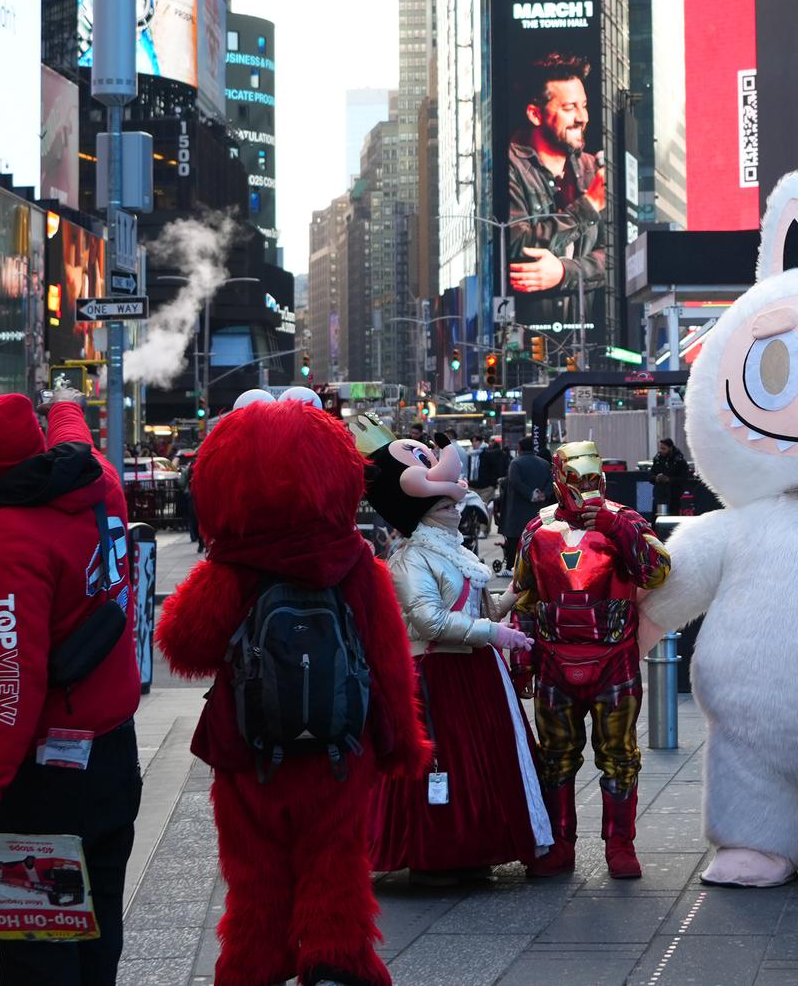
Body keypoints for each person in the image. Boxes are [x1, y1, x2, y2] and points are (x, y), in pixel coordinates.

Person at [158, 393, 432, 985]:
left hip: (249, 747)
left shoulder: (231, 568)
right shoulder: (356, 561)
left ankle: (255, 963)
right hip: (340, 747)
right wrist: (401, 743)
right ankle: (335, 957)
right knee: (336, 857)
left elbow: (184, 644)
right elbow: (388, 660)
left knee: (254, 868)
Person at [0, 388, 142, 985]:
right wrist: (64, 399)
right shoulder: (99, 480)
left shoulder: (10, 538)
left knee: (38, 936)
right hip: (114, 750)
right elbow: (71, 429)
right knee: (98, 923)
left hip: (45, 774)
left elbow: (15, 674)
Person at [360, 418, 548, 884]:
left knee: (484, 765)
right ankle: (436, 855)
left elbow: (479, 606)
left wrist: (518, 593)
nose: (453, 511)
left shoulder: (451, 550)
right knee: (442, 765)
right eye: (444, 505)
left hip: (475, 673)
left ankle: (477, 848)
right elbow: (428, 620)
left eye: (451, 504)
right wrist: (495, 634)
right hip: (436, 678)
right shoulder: (410, 556)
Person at [509, 440, 670, 879]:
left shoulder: (625, 521)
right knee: (555, 757)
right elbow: (525, 596)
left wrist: (618, 527)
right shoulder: (535, 530)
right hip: (554, 660)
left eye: (594, 479)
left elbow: (657, 571)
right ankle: (561, 843)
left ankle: (620, 844)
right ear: (560, 478)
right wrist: (521, 658)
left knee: (619, 755)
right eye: (577, 479)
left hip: (613, 658)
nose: (587, 488)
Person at [505, 55, 607, 311]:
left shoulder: (593, 169)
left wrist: (564, 272)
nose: (582, 117)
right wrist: (588, 207)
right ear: (535, 114)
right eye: (569, 107)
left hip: (585, 339)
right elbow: (518, 246)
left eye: (584, 105)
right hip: (526, 340)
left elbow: (618, 259)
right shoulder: (508, 168)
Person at [501, 436, 553, 571]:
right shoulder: (545, 464)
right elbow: (551, 483)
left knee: (515, 540)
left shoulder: (515, 463)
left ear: (520, 448)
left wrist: (531, 494)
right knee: (537, 541)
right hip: (538, 511)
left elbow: (515, 482)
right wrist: (543, 494)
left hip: (517, 511)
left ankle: (511, 567)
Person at [650, 438, 692, 516]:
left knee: (672, 517)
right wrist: (656, 478)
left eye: (664, 448)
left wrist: (669, 479)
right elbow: (650, 475)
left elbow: (684, 479)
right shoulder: (657, 459)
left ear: (670, 448)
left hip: (674, 495)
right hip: (659, 495)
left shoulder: (679, 461)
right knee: (656, 518)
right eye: (660, 448)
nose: (661, 450)